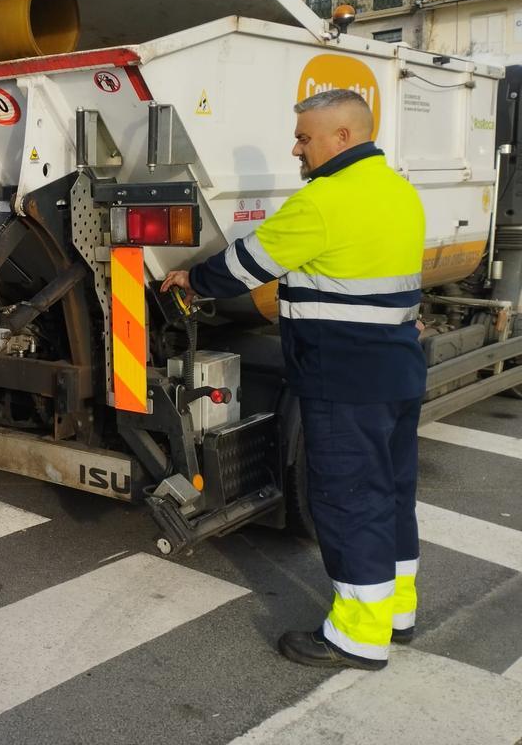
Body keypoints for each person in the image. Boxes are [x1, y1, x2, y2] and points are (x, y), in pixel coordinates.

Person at [161, 88, 425, 671]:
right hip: (396, 370)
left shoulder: (325, 201)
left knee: (348, 500)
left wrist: (191, 279)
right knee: (389, 493)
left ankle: (357, 636)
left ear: (343, 138)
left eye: (305, 137)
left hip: (343, 377)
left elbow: (245, 266)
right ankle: (395, 612)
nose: (296, 148)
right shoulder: (397, 190)